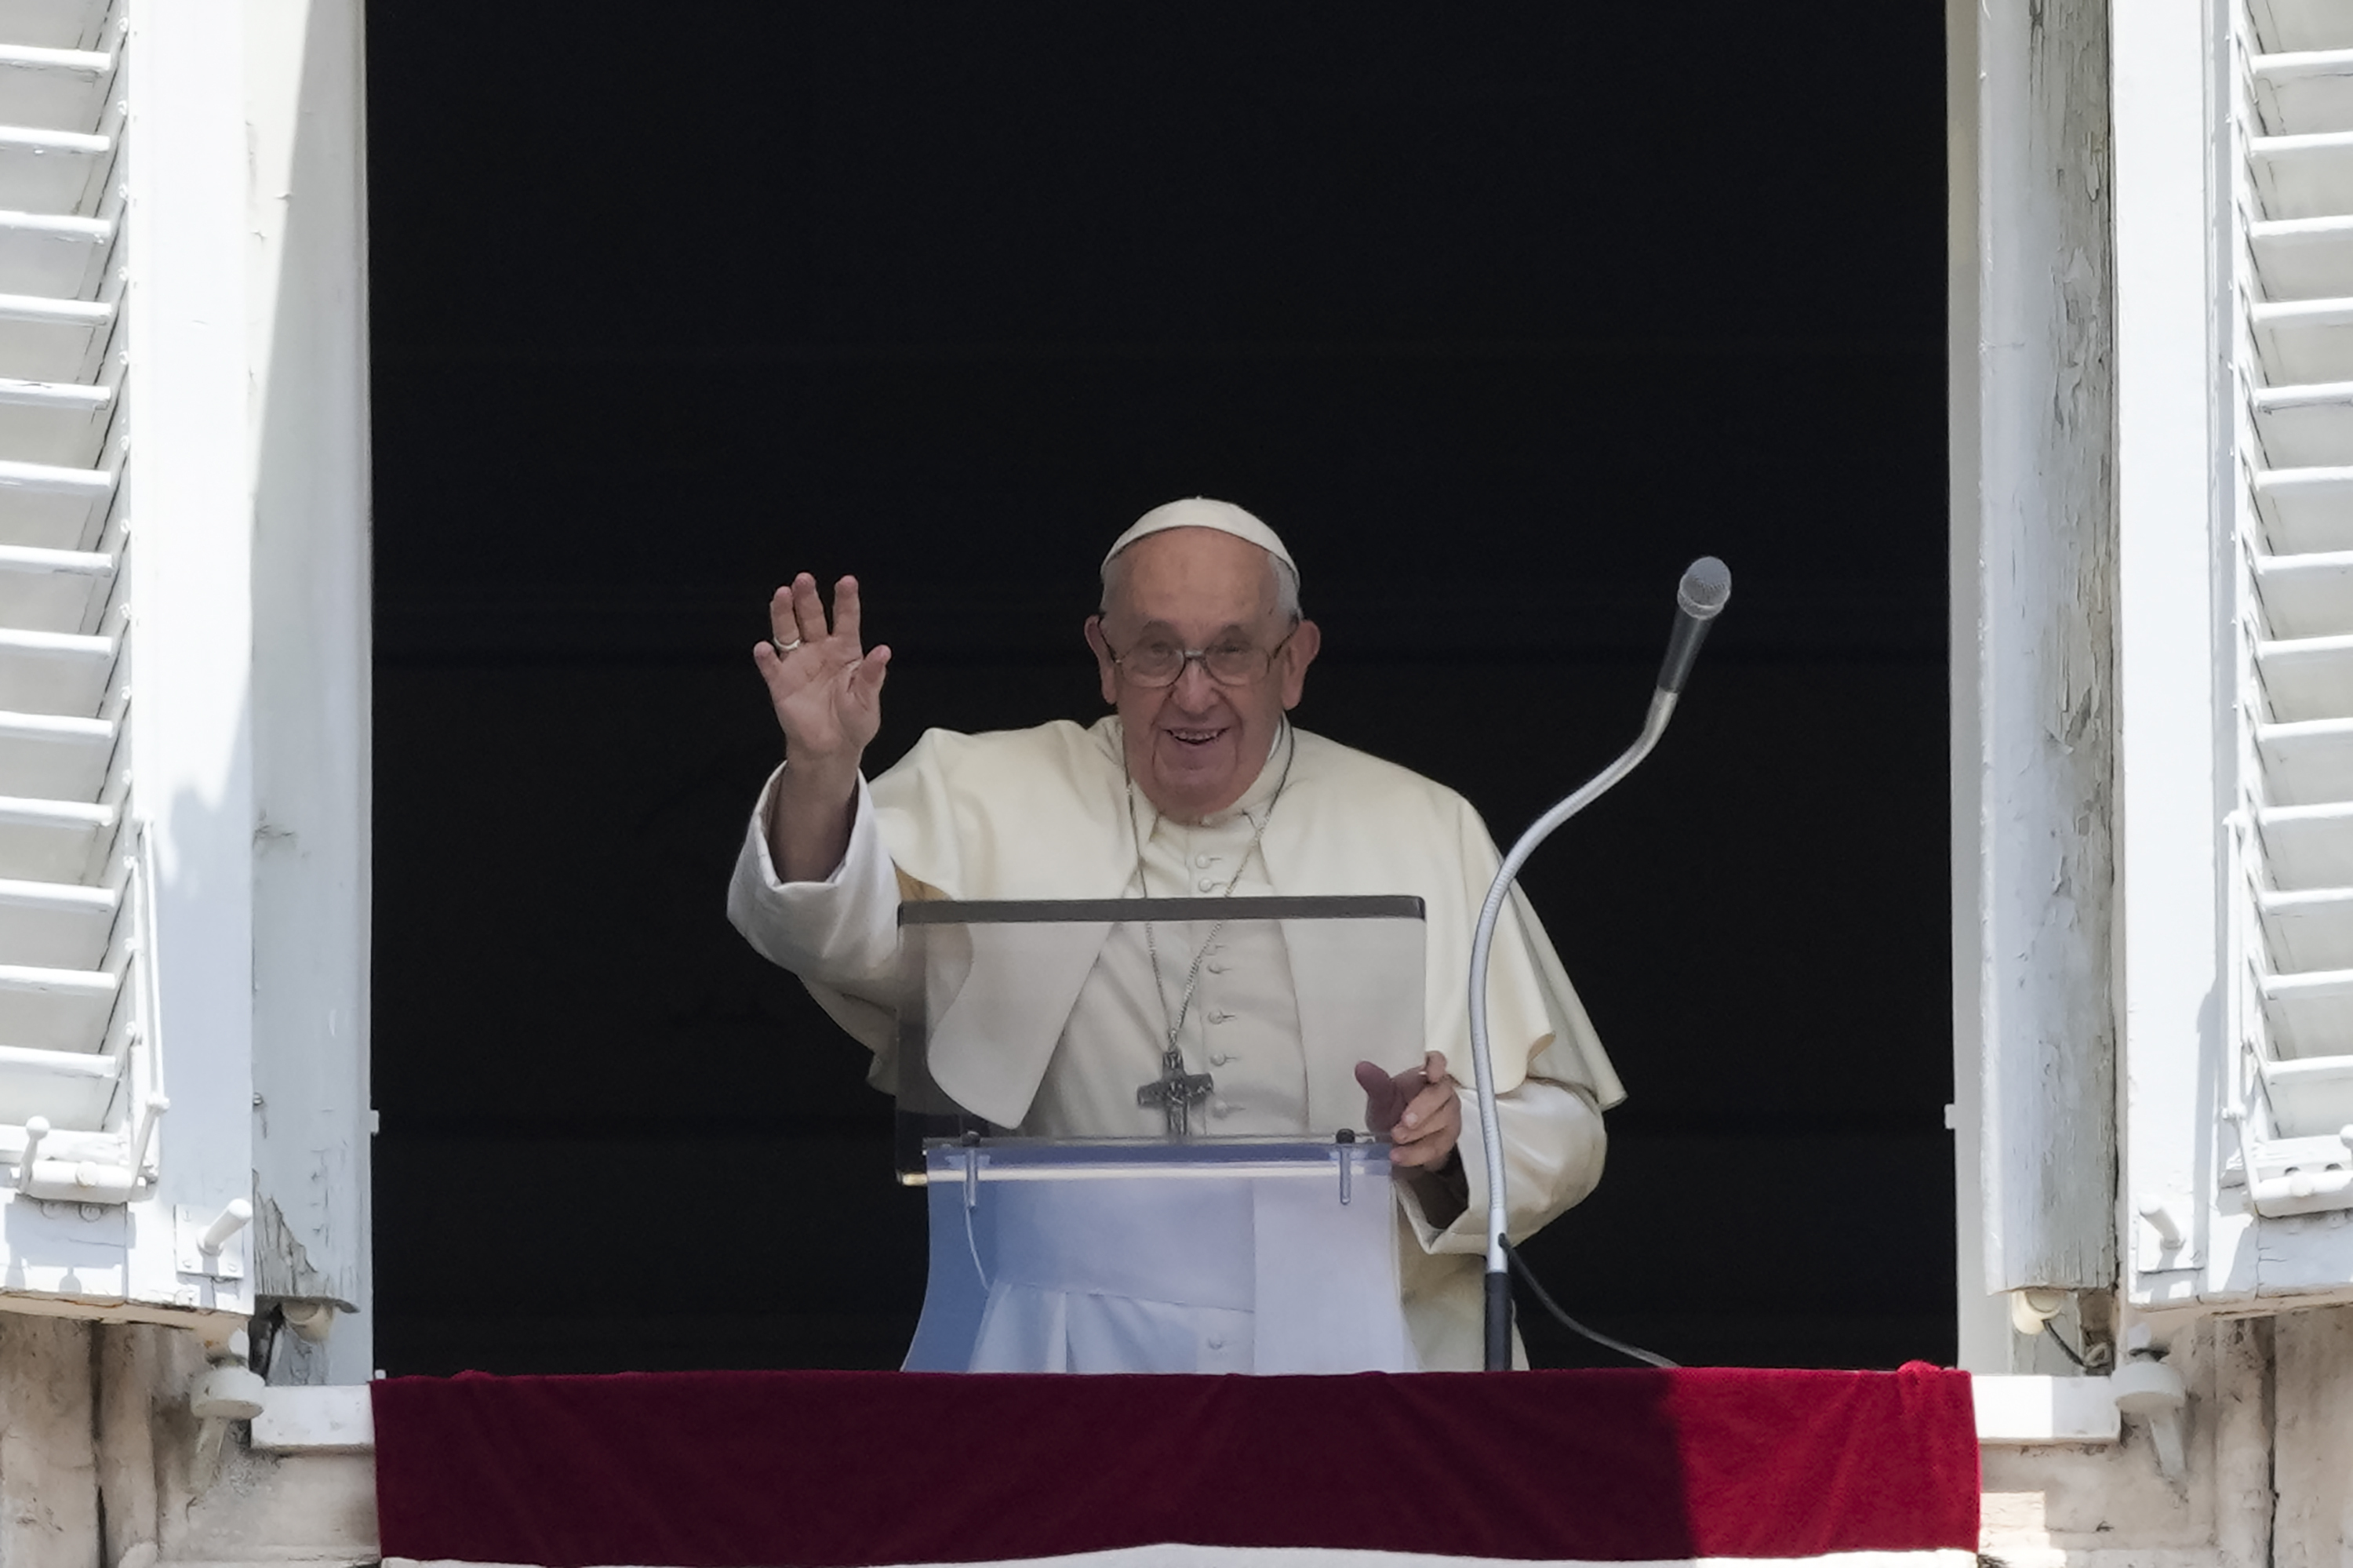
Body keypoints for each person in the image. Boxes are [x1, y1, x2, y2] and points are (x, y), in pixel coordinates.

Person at [728, 497, 1621, 1370]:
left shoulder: (1422, 824)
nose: (1194, 691)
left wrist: (1450, 1141)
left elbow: (1565, 1123)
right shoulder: (986, 792)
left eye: (1232, 650)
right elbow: (824, 928)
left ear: (1295, 661)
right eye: (1156, 651)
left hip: (1359, 1338)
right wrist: (820, 771)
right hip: (1065, 1343)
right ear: (1105, 659)